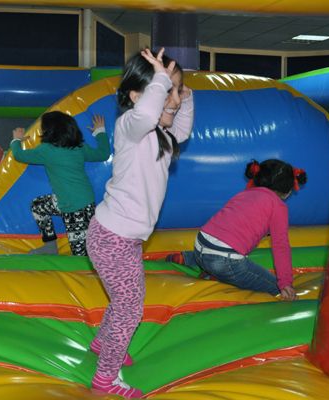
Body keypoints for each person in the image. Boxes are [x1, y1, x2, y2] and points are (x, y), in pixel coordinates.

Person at [87, 48, 194, 398]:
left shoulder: (161, 135)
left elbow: (182, 130)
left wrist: (184, 97)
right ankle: (105, 379)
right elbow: (149, 111)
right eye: (168, 92)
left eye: (178, 90)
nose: (173, 99)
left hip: (124, 237)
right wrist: (161, 80)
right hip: (111, 236)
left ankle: (103, 343)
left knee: (123, 300)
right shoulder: (130, 127)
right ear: (136, 96)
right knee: (130, 307)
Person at [167, 159, 307, 301]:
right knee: (274, 287)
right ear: (288, 189)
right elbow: (280, 245)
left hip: (200, 245)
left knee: (214, 251)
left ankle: (187, 257)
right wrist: (285, 284)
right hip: (224, 261)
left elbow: (231, 221)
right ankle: (218, 275)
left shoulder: (244, 194)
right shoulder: (278, 206)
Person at [11, 110, 110, 256]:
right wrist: (100, 132)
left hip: (77, 209)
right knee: (38, 206)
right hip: (75, 201)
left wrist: (16, 140)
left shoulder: (46, 150)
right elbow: (103, 153)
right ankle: (51, 247)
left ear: (48, 132)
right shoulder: (79, 147)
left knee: (81, 255)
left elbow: (19, 155)